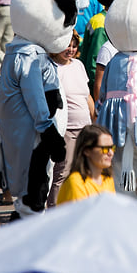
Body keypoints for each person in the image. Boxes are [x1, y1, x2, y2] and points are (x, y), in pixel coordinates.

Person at [47, 31, 95, 207]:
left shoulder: (78, 65)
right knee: (62, 172)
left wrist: (94, 120)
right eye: (68, 45)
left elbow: (87, 96)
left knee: (85, 171)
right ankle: (54, 210)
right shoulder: (51, 67)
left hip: (85, 128)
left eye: (74, 46)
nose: (71, 50)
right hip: (65, 129)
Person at [56, 125, 116, 205]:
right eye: (104, 148)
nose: (111, 153)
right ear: (86, 151)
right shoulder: (76, 183)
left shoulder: (108, 179)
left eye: (112, 148)